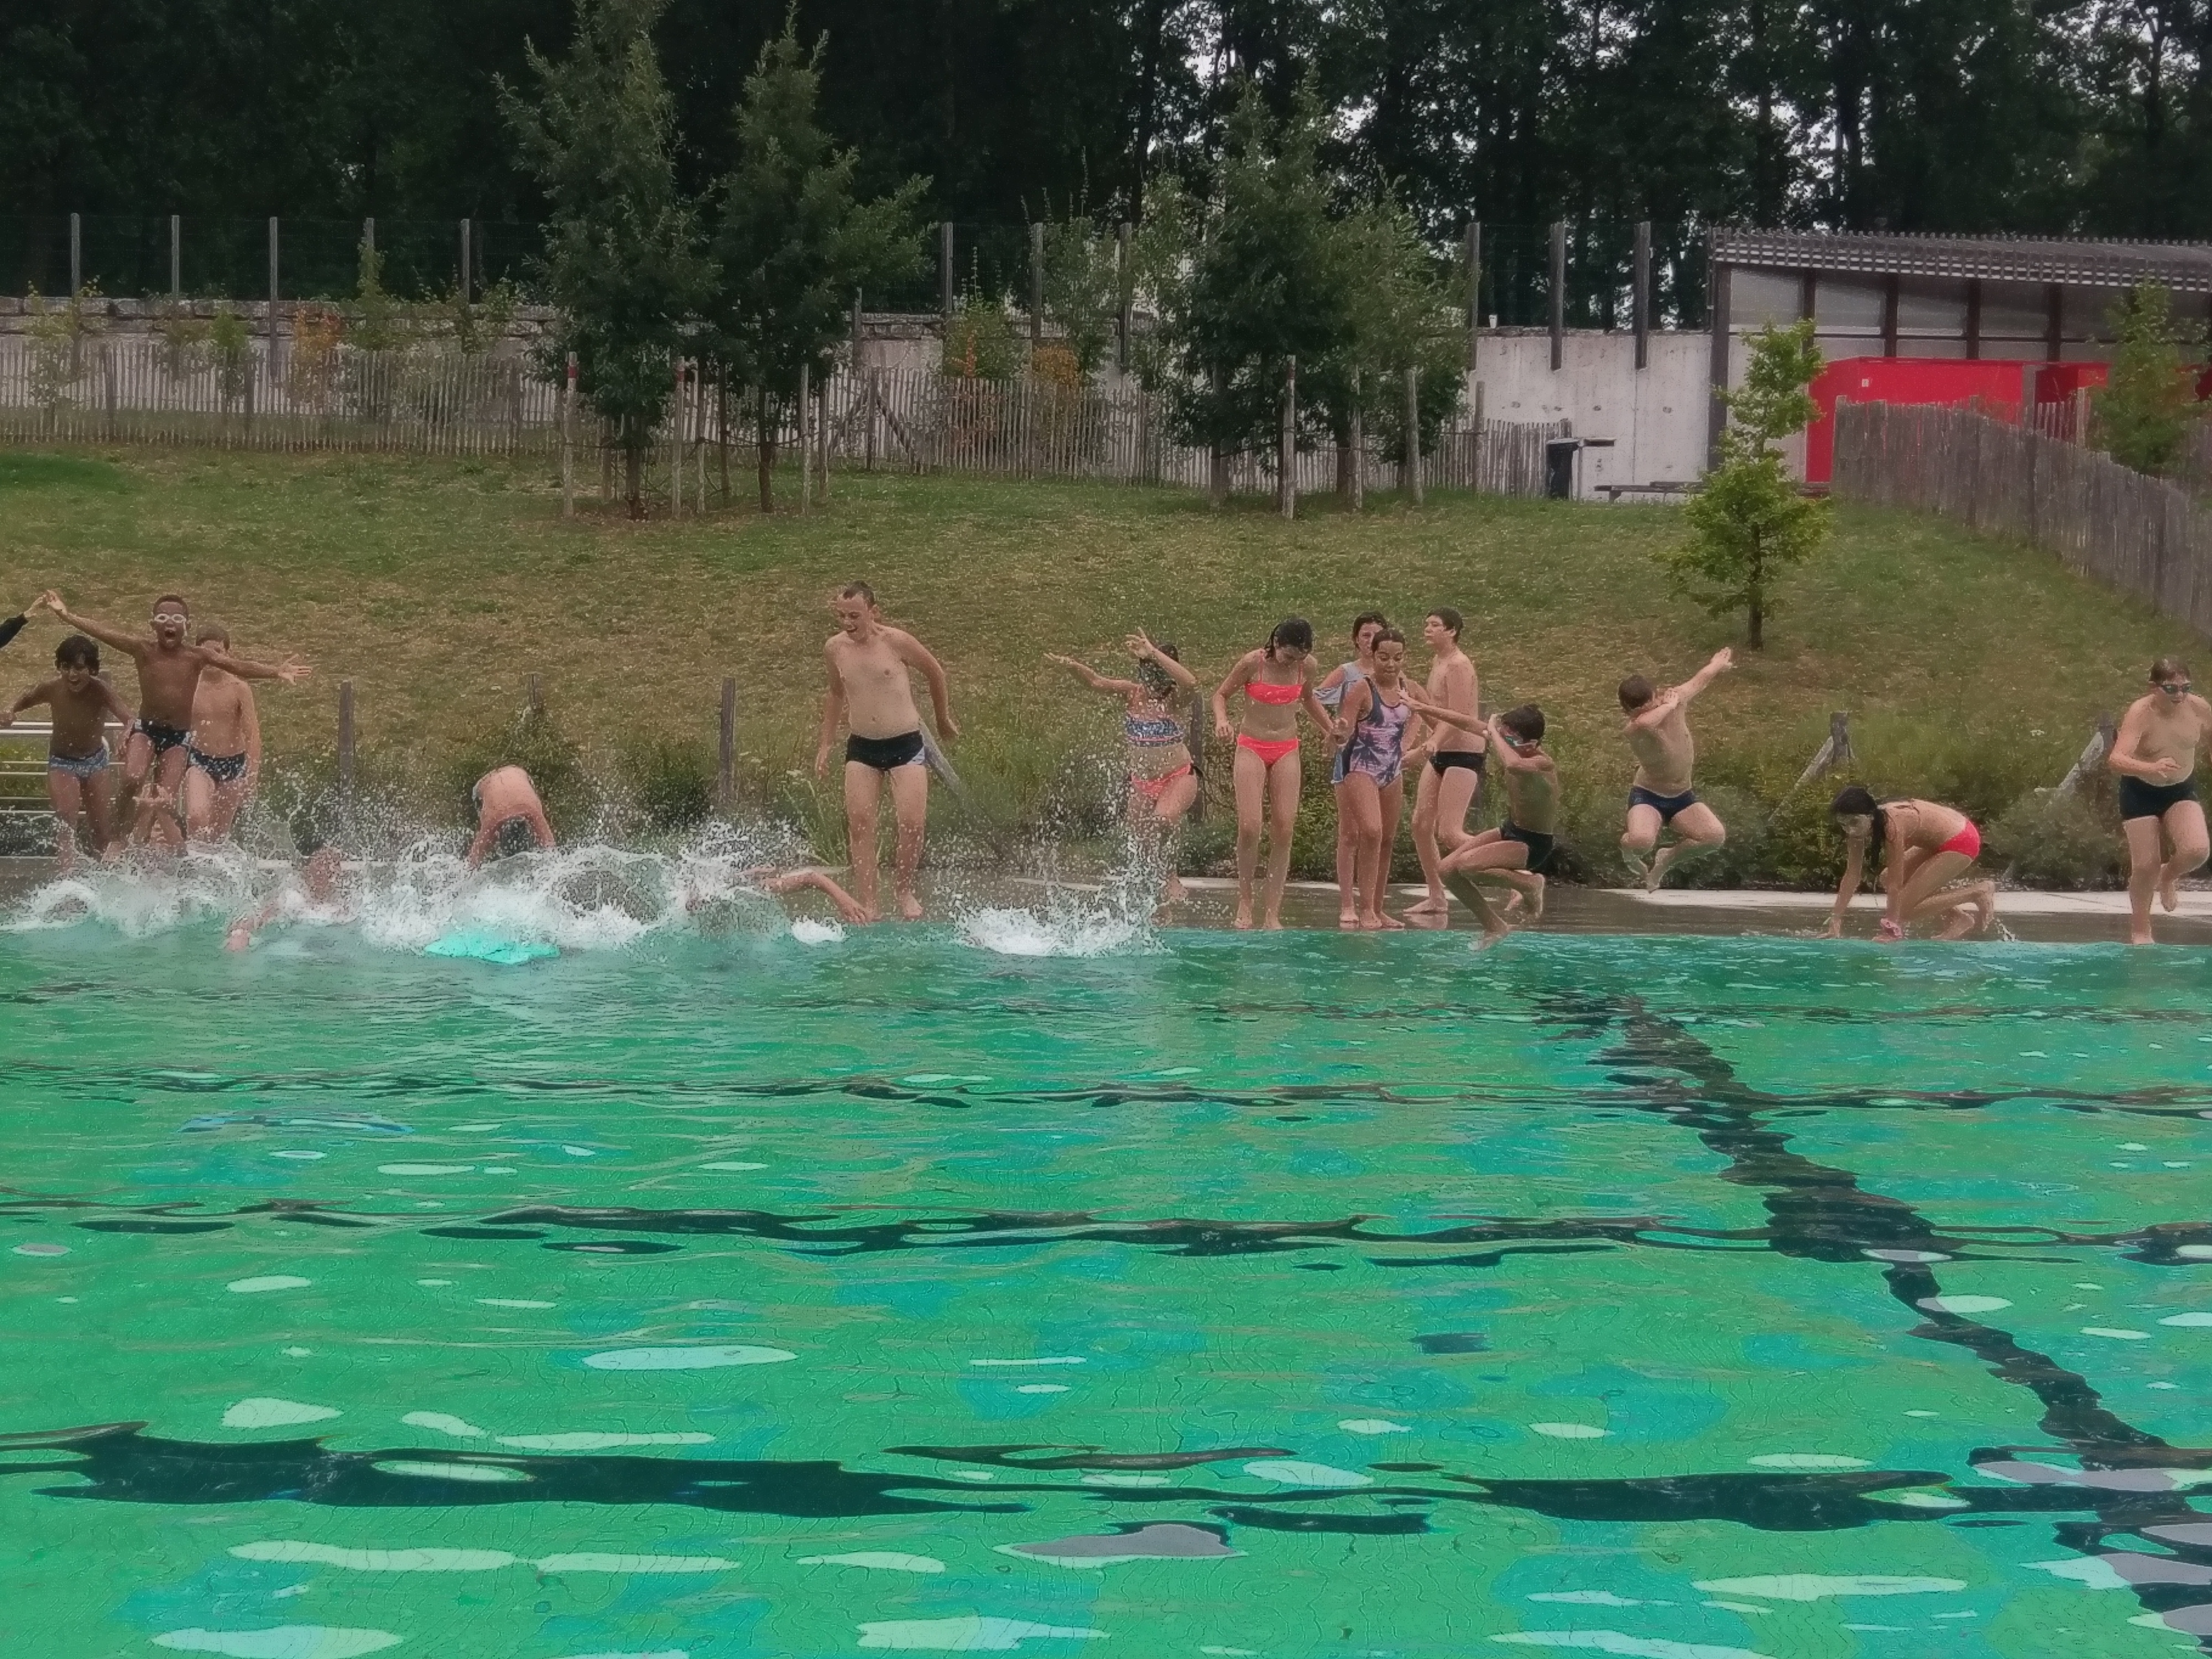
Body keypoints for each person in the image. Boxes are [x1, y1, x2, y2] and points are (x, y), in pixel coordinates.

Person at [36, 591, 307, 846]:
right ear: (153, 624)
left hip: (178, 739)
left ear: (186, 626)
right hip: (147, 730)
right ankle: (118, 833)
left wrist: (275, 671)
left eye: (177, 618)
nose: (170, 623)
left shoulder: (196, 656)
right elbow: (104, 633)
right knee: (132, 777)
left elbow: (235, 665)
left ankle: (154, 846)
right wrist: (67, 616)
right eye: (163, 617)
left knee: (163, 800)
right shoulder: (142, 649)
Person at [813, 581, 958, 921]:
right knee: (861, 824)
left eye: (855, 616)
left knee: (912, 823)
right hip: (862, 747)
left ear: (874, 612)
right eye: (842, 616)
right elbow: (835, 693)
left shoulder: (897, 642)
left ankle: (903, 890)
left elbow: (935, 673)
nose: (848, 623)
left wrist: (943, 718)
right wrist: (826, 743)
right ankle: (869, 901)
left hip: (905, 742)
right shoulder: (835, 649)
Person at [1045, 629, 1201, 901]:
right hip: (1142, 781)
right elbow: (1096, 682)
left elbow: (1192, 683)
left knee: (1164, 819)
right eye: (1148, 677)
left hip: (1177, 776)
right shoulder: (1132, 694)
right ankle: (1155, 883)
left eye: (1159, 678)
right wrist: (1072, 666)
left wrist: (1154, 654)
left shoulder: (1177, 700)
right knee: (1141, 840)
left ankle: (1171, 877)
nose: (1153, 686)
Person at [1211, 617, 1337, 930]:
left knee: (1284, 828)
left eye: (1300, 657)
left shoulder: (1307, 667)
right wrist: (1222, 721)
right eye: (1289, 655)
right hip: (1251, 746)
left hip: (1286, 747)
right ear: (1276, 643)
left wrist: (1330, 729)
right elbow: (1221, 695)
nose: (1293, 662)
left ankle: (1272, 911)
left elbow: (1307, 698)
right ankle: (1245, 901)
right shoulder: (1252, 663)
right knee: (1250, 826)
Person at [1428, 705, 1560, 942]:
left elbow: (1513, 765)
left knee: (1468, 866)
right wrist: (1420, 707)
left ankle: (1530, 883)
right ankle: (1494, 926)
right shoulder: (1511, 746)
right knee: (1447, 870)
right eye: (1504, 736)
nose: (1504, 742)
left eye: (1511, 738)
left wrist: (1493, 730)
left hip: (1534, 843)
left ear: (1531, 744)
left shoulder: (1542, 763)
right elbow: (1466, 722)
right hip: (1511, 829)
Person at [3, 634, 134, 869]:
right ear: (59, 667)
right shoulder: (53, 688)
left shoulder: (101, 690)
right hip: (62, 762)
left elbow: (129, 718)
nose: (72, 675)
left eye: (79, 668)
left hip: (96, 762)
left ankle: (104, 876)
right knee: (66, 825)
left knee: (102, 830)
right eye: (66, 667)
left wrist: (126, 734)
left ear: (92, 669)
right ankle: (67, 880)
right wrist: (10, 710)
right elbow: (27, 697)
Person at [2108, 655, 2212, 945]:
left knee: (2197, 850)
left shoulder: (2199, 708)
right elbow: (2116, 759)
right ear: (2154, 688)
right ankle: (2141, 931)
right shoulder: (2141, 713)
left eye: (2186, 688)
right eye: (2171, 689)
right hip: (2140, 791)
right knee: (2145, 866)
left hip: (2180, 789)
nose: (2180, 695)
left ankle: (2168, 875)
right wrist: (2151, 768)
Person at [1334, 627, 1427, 930]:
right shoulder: (1362, 689)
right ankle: (1364, 910)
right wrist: (1338, 733)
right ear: (1372, 656)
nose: (1391, 664)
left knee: (1387, 839)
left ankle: (1377, 908)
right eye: (1384, 657)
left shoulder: (1409, 689)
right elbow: (1346, 729)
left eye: (1398, 658)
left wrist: (1417, 746)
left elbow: (1432, 716)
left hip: (1392, 770)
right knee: (1371, 832)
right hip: (1360, 766)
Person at [1618, 648, 1731, 889]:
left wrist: (1716, 665)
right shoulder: (1634, 728)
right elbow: (1647, 722)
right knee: (1641, 841)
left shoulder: (1673, 698)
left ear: (1656, 695)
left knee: (1714, 837)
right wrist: (1668, 707)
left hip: (1681, 795)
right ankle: (1628, 854)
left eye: (1650, 704)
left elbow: (1698, 682)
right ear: (1628, 712)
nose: (1647, 712)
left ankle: (1666, 860)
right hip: (1648, 795)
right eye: (1638, 711)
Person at [1822, 785, 1996, 941]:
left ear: (1871, 816)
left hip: (1962, 840)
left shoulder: (1892, 825)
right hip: (1941, 837)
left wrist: (1890, 929)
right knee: (1885, 878)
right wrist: (1836, 920)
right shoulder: (1857, 829)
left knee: (1903, 911)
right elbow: (1852, 875)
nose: (1850, 830)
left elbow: (1895, 883)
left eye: (1854, 822)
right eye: (1844, 825)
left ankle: (1976, 893)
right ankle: (1959, 918)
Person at [1407, 608, 1484, 917]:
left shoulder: (1459, 665)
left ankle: (1518, 869)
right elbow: (1436, 713)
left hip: (1464, 752)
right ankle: (1437, 896)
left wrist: (1431, 744)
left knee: (1450, 833)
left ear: (1452, 631)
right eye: (1426, 624)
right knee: (1420, 825)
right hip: (1442, 751)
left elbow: (1460, 717)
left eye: (1435, 625)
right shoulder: (1438, 662)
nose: (1427, 629)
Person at [1317, 612, 1389, 927]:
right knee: (1351, 832)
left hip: (1384, 762)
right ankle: (1347, 903)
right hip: (1350, 757)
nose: (1371, 641)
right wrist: (1332, 728)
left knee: (1381, 834)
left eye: (1376, 635)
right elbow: (1313, 697)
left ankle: (1374, 906)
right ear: (1356, 640)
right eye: (1365, 635)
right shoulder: (1347, 673)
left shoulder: (1393, 674)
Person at [181, 623, 262, 842]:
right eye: (206, 652)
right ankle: (193, 857)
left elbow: (253, 735)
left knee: (219, 834)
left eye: (217, 652)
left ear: (227, 654)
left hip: (233, 764)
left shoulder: (238, 688)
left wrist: (252, 776)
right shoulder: (190, 685)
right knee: (197, 816)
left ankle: (211, 861)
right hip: (199, 761)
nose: (212, 658)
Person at [225, 846, 352, 950]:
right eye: (321, 863)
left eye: (333, 864)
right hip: (291, 948)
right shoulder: (292, 899)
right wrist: (240, 932)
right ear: (307, 869)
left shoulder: (345, 906)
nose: (327, 869)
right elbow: (258, 918)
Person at [466, 765, 556, 867]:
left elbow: (473, 861)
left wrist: (473, 865)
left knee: (486, 838)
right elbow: (551, 850)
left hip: (515, 773)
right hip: (493, 779)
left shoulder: (494, 820)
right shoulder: (493, 821)